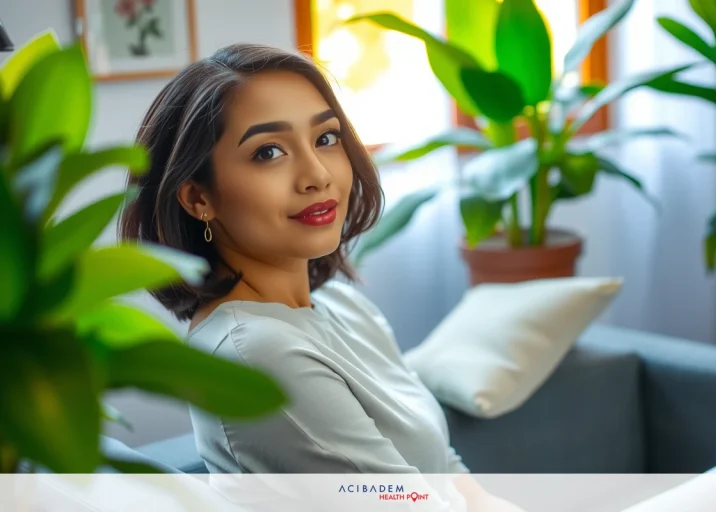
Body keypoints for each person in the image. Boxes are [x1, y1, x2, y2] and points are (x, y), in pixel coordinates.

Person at [120, 43, 524, 511]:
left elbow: (444, 471)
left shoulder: (339, 304)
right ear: (197, 198)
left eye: (326, 139)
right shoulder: (256, 353)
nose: (316, 175)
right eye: (268, 152)